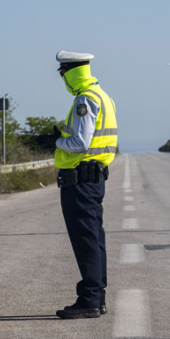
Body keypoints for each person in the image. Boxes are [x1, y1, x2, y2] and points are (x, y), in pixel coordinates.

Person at [49, 50, 118, 319]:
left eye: (62, 73)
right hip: (93, 179)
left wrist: (53, 142)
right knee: (94, 239)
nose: (62, 78)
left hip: (80, 180)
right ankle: (96, 297)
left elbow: (80, 143)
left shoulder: (85, 99)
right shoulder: (103, 95)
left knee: (86, 241)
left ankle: (90, 299)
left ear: (70, 72)